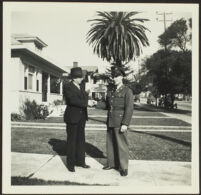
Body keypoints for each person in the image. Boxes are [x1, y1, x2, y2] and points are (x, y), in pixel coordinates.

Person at [103, 66, 134, 176]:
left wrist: (125, 123)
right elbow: (107, 105)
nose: (114, 78)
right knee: (110, 143)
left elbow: (129, 108)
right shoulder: (111, 90)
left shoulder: (127, 91)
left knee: (121, 145)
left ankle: (124, 167)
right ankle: (112, 163)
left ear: (121, 77)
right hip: (111, 120)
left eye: (117, 76)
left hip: (120, 121)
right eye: (113, 76)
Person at [63, 67, 90, 172]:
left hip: (82, 117)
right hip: (72, 118)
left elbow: (83, 98)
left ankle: (81, 162)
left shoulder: (81, 86)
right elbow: (72, 100)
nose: (81, 79)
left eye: (81, 77)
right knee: (71, 141)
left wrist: (87, 98)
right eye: (79, 77)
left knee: (81, 141)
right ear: (73, 78)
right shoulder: (67, 87)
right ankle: (71, 165)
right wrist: (86, 103)